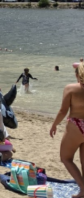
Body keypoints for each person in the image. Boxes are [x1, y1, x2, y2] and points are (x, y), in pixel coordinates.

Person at [50, 62, 84, 197]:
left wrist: (54, 125)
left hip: (76, 125)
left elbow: (63, 110)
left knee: (66, 158)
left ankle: (83, 188)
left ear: (77, 74)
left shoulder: (70, 88)